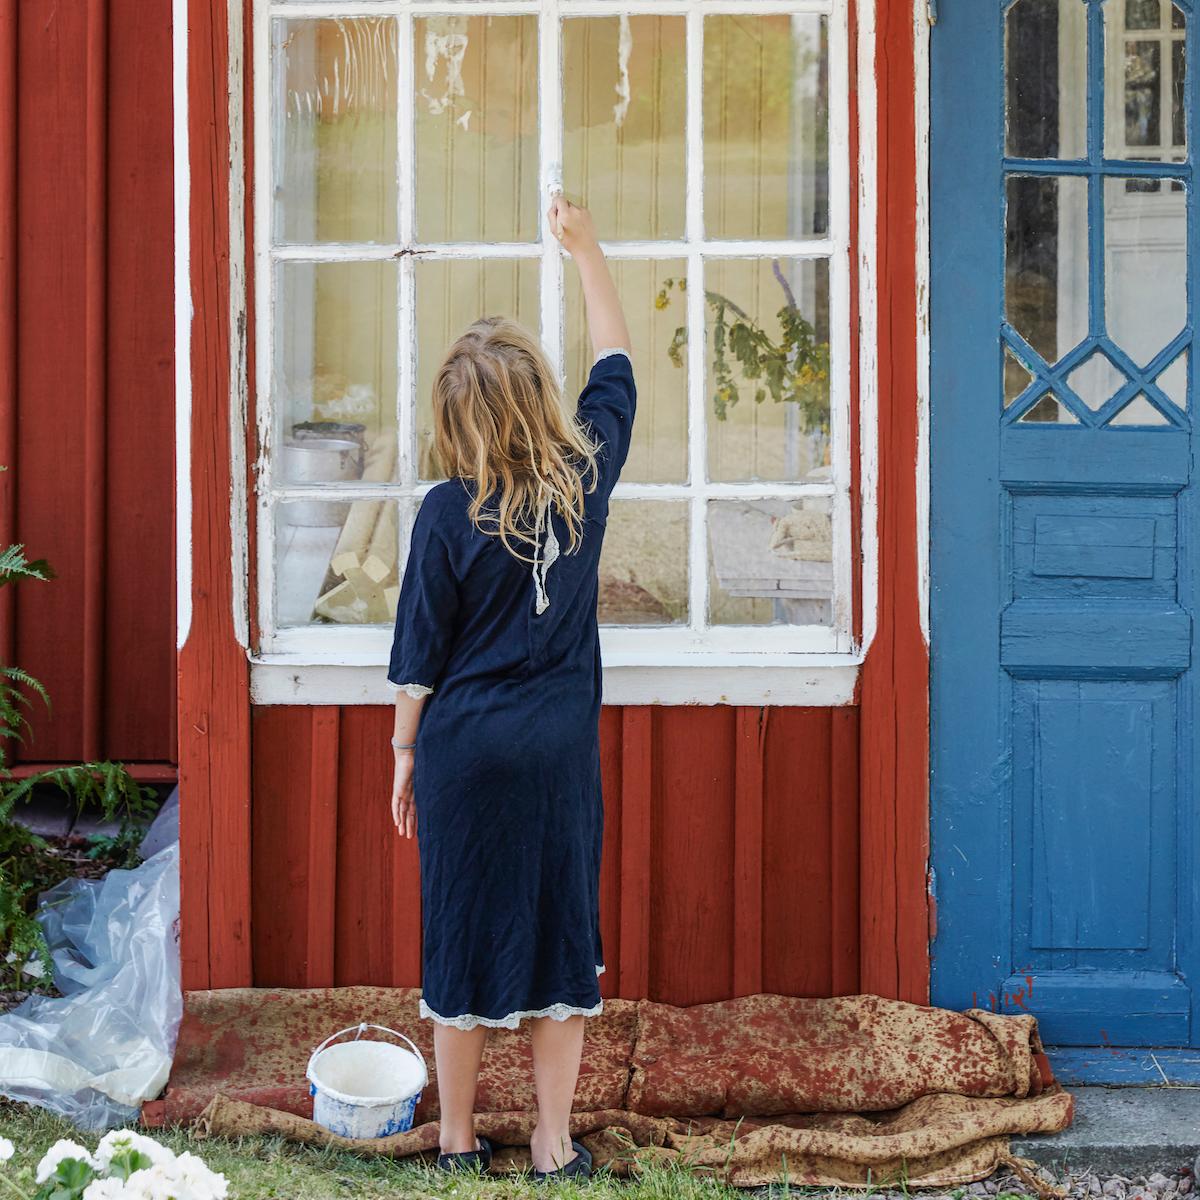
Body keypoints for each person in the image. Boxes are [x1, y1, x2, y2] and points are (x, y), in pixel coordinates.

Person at [386, 194, 634, 1181]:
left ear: (456, 422)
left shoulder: (446, 514)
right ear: (538, 400)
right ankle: (551, 1142)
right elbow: (615, 367)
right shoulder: (586, 479)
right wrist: (587, 249)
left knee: (461, 944)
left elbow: (418, 655)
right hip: (555, 757)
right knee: (559, 949)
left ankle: (452, 1144)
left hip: (464, 752)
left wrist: (405, 752)